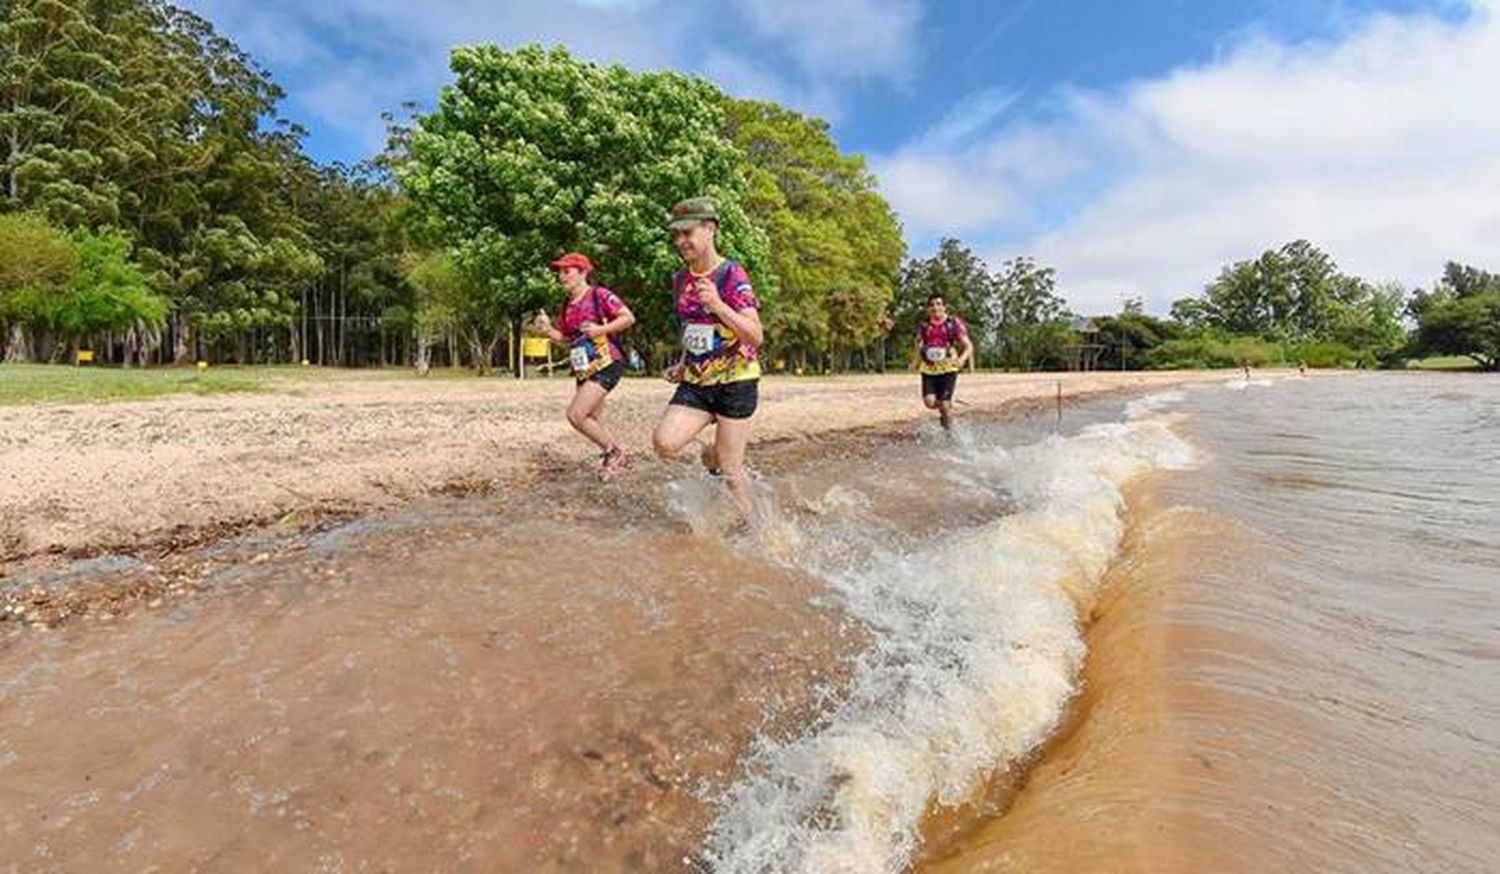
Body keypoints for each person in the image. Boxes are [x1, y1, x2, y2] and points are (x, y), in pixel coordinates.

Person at [651, 197, 764, 521]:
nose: (680, 241)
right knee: (665, 443)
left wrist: (718, 304)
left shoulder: (732, 275)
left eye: (687, 233)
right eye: (677, 235)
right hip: (697, 381)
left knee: (730, 469)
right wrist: (683, 362)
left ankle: (760, 534)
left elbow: (755, 336)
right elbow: (691, 327)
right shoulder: (679, 280)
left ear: (710, 228)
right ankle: (710, 452)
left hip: (736, 380)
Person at [532, 252, 636, 480]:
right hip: (583, 368)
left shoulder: (599, 295)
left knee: (576, 415)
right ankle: (621, 462)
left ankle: (614, 453)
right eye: (559, 271)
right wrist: (547, 330)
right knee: (592, 418)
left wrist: (601, 330)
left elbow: (628, 317)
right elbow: (568, 339)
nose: (561, 276)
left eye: (567, 271)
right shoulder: (567, 305)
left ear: (583, 273)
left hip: (607, 363)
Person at [913, 294, 973, 429]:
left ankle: (949, 433)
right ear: (928, 309)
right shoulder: (924, 326)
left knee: (945, 406)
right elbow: (918, 345)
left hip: (948, 368)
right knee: (929, 402)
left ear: (945, 307)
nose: (935, 307)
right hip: (929, 368)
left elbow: (969, 346)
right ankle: (945, 406)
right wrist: (915, 362)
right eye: (932, 305)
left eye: (939, 304)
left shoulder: (953, 323)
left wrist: (962, 359)